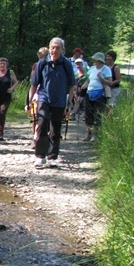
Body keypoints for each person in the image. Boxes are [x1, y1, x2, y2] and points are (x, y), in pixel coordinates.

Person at [28, 37, 76, 169]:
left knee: (55, 129)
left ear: (62, 50)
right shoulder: (42, 63)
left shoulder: (66, 64)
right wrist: (30, 101)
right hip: (44, 98)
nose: (54, 50)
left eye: (57, 48)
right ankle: (39, 156)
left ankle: (52, 157)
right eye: (52, 47)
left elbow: (72, 85)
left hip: (60, 100)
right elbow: (34, 84)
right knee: (42, 124)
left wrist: (69, 103)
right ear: (49, 48)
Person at [81, 52, 112, 142]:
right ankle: (88, 134)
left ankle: (95, 135)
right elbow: (88, 80)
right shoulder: (92, 68)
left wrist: (101, 78)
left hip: (100, 94)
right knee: (88, 114)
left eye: (95, 59)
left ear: (99, 60)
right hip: (89, 93)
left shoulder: (106, 69)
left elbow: (110, 83)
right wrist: (83, 87)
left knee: (97, 114)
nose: (94, 61)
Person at [0, 57, 18, 141]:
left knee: (2, 113)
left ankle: (0, 134)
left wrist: (12, 88)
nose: (2, 65)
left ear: (7, 65)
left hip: (6, 96)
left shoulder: (10, 72)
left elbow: (16, 82)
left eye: (4, 63)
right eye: (1, 63)